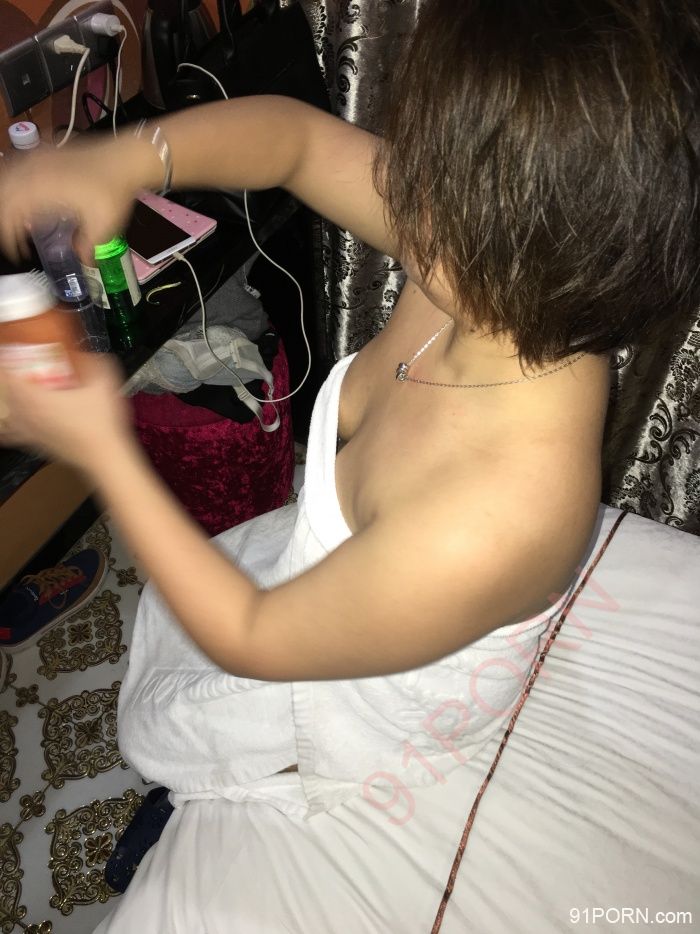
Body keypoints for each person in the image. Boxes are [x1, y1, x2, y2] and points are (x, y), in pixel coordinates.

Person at [0, 2, 699, 930]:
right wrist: (124, 159)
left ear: (518, 231)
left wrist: (101, 445)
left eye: (431, 171)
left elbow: (252, 636)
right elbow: (296, 142)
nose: (396, 178)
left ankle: (203, 797)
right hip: (317, 571)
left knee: (218, 731)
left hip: (348, 710)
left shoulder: (504, 509)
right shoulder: (507, 272)